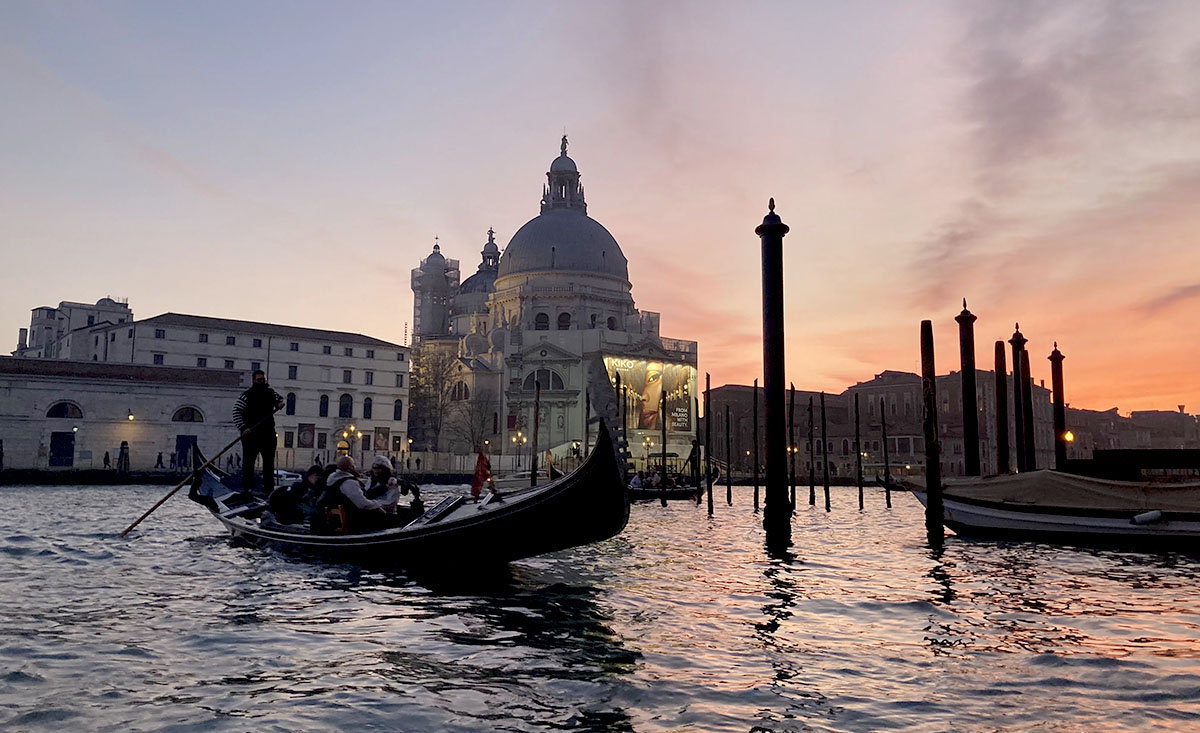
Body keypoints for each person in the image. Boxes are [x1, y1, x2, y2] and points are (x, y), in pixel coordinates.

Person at [233, 369, 285, 494]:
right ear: (254, 380)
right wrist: (243, 428)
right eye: (259, 380)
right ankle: (247, 489)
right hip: (251, 435)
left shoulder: (271, 393)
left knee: (269, 464)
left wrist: (280, 403)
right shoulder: (247, 395)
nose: (262, 382)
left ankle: (268, 491)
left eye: (264, 380)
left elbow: (280, 399)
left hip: (268, 434)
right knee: (248, 463)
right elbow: (236, 412)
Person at [317, 456, 392, 532]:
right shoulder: (349, 482)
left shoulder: (332, 479)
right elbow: (362, 504)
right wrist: (377, 506)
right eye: (354, 465)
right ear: (351, 467)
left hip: (337, 518)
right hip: (352, 519)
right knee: (391, 518)